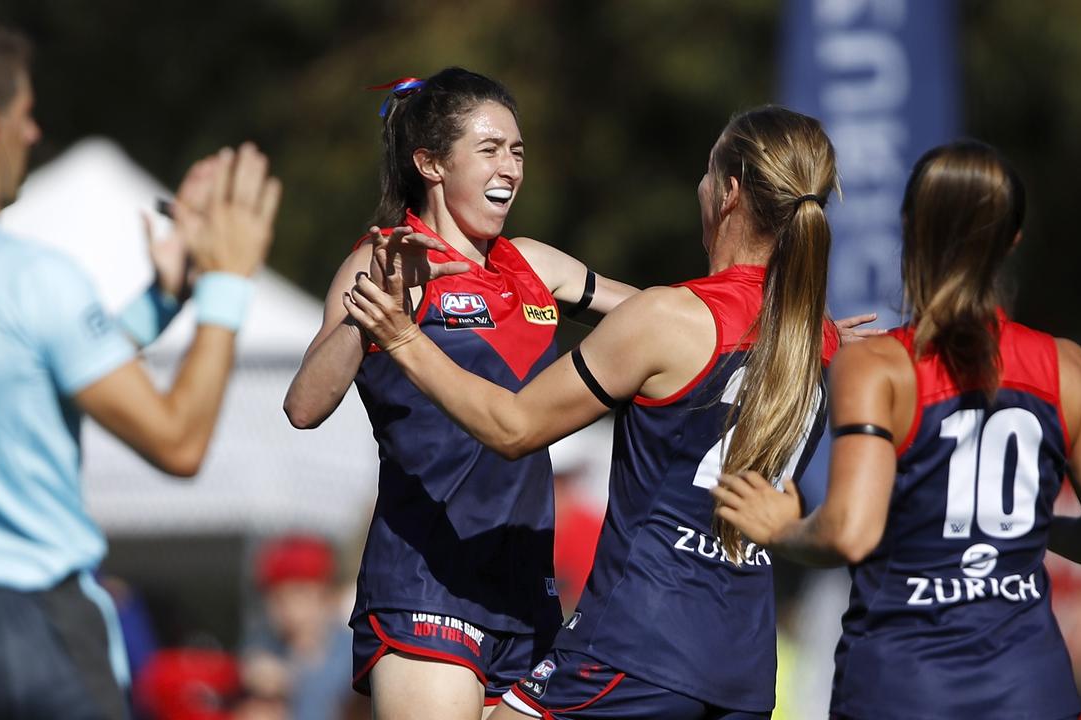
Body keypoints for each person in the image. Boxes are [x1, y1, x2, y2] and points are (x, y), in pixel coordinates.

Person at [0, 11, 281, 719]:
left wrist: (164, 297)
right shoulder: (29, 274)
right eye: (25, 112)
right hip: (31, 626)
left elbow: (11, 368)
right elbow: (178, 442)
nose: (34, 132)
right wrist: (228, 283)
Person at [345, 105, 844, 719]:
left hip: (634, 646)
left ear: (730, 194)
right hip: (742, 672)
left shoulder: (668, 317)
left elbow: (514, 426)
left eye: (707, 173)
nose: (700, 188)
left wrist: (402, 339)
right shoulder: (816, 338)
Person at [712, 140, 1081, 719]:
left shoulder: (878, 366)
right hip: (1034, 692)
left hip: (901, 690)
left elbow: (851, 532)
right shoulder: (1067, 367)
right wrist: (1029, 529)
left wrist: (783, 529)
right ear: (1012, 240)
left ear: (910, 228)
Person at [283, 67, 639, 719]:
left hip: (527, 589)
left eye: (517, 150)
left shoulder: (534, 263)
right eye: (490, 149)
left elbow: (671, 323)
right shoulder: (383, 262)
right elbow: (304, 405)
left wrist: (793, 327)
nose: (510, 166)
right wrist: (374, 318)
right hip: (426, 582)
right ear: (431, 163)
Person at [240, 535, 353, 720]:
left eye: (299, 593)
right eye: (277, 597)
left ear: (327, 595)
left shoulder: (353, 653)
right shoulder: (263, 647)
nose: (288, 609)